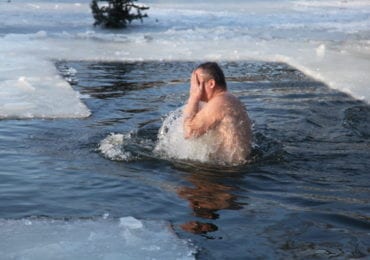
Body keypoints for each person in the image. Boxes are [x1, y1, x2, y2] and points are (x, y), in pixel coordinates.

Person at [183, 62, 252, 164]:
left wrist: (193, 97)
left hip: (225, 171)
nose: (194, 88)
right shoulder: (230, 99)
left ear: (211, 83)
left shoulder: (219, 102)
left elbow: (189, 132)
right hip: (238, 168)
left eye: (197, 83)